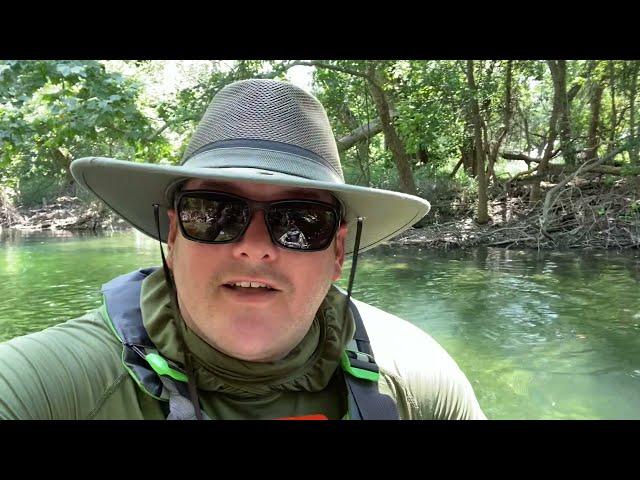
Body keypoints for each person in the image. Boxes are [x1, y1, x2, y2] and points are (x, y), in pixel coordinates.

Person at [0, 79, 486, 420]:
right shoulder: (45, 388)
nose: (255, 249)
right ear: (172, 235)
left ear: (338, 253)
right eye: (213, 213)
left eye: (300, 222)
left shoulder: (418, 382)